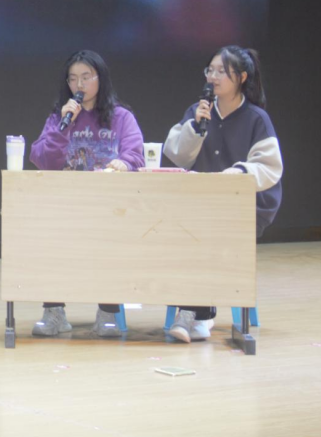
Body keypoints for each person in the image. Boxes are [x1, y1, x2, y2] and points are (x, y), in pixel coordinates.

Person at [163, 45, 283, 343]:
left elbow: (270, 167)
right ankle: (199, 316)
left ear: (241, 77)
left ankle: (192, 315)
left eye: (222, 72)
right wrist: (195, 128)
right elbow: (176, 155)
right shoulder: (198, 111)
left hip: (244, 207)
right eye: (210, 70)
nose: (213, 77)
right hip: (202, 205)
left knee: (205, 232)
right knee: (183, 231)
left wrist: (238, 174)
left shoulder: (256, 118)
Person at [29, 49, 145, 339]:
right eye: (72, 79)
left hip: (109, 208)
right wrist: (62, 128)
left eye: (85, 77)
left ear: (100, 79)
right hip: (67, 206)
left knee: (112, 240)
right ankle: (54, 313)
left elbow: (136, 154)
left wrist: (125, 163)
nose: (79, 85)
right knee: (48, 236)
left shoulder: (121, 117)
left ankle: (108, 313)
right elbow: (43, 160)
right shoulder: (60, 117)